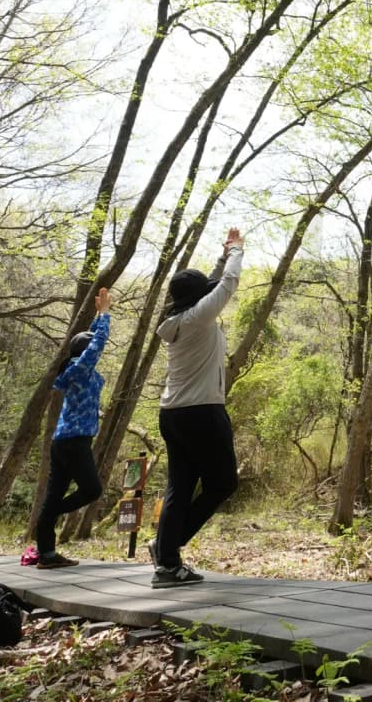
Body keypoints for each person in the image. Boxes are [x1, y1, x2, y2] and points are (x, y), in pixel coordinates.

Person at [150, 227, 244, 588]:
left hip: (172, 414)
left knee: (180, 487)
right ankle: (166, 548)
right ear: (198, 297)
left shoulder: (178, 320)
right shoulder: (197, 318)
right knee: (224, 483)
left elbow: (211, 284)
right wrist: (237, 251)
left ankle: (167, 561)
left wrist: (222, 255)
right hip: (202, 412)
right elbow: (227, 283)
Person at [32, 286, 112, 569]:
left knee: (54, 495)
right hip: (75, 443)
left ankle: (46, 555)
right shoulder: (79, 368)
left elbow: (89, 343)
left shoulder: (77, 369)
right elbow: (96, 344)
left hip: (63, 442)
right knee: (91, 490)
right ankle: (52, 514)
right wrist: (105, 315)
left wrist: (96, 317)